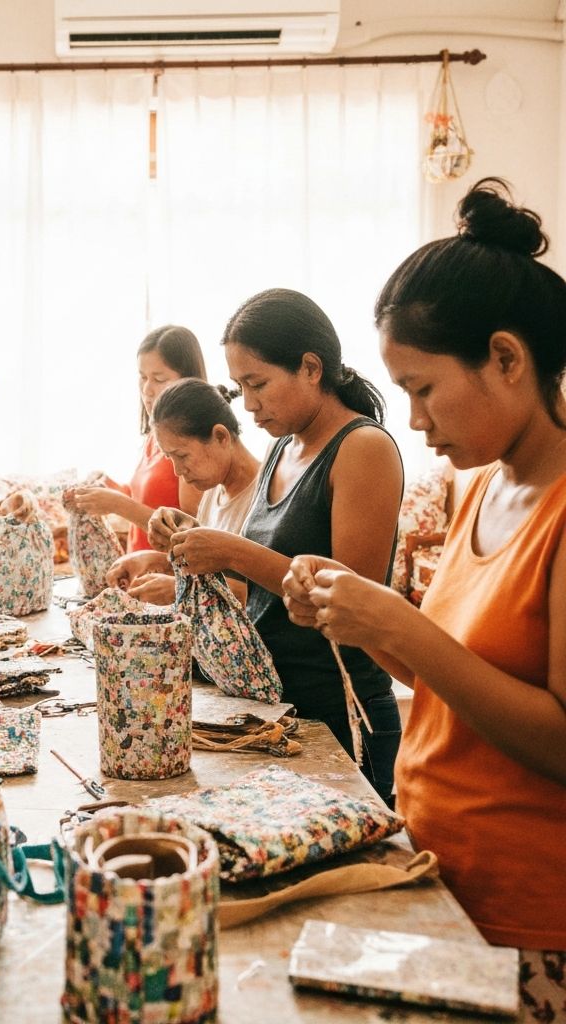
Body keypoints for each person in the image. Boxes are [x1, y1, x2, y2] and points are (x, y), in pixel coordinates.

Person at [282, 179, 566, 1019]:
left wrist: (400, 626)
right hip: (442, 874)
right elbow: (453, 678)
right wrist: (354, 614)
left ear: (507, 359)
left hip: (528, 920)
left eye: (423, 388)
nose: (412, 419)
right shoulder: (487, 486)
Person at [168, 289, 404, 803]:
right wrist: (191, 552)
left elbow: (354, 600)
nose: (248, 404)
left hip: (339, 710)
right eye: (240, 387)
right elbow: (264, 586)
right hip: (276, 706)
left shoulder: (363, 448)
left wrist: (231, 551)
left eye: (258, 384)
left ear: (311, 368)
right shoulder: (281, 449)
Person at [105, 378, 260, 604]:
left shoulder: (265, 493)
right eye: (170, 458)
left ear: (221, 436)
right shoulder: (213, 492)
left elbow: (267, 597)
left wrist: (179, 589)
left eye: (182, 456)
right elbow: (215, 573)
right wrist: (153, 561)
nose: (178, 471)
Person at [63, 325, 204, 551]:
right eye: (142, 377)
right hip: (138, 566)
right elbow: (149, 498)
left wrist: (117, 504)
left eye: (159, 379)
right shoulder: (155, 435)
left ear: (187, 381)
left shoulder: (192, 444)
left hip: (165, 570)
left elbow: (190, 533)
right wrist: (114, 489)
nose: (147, 389)